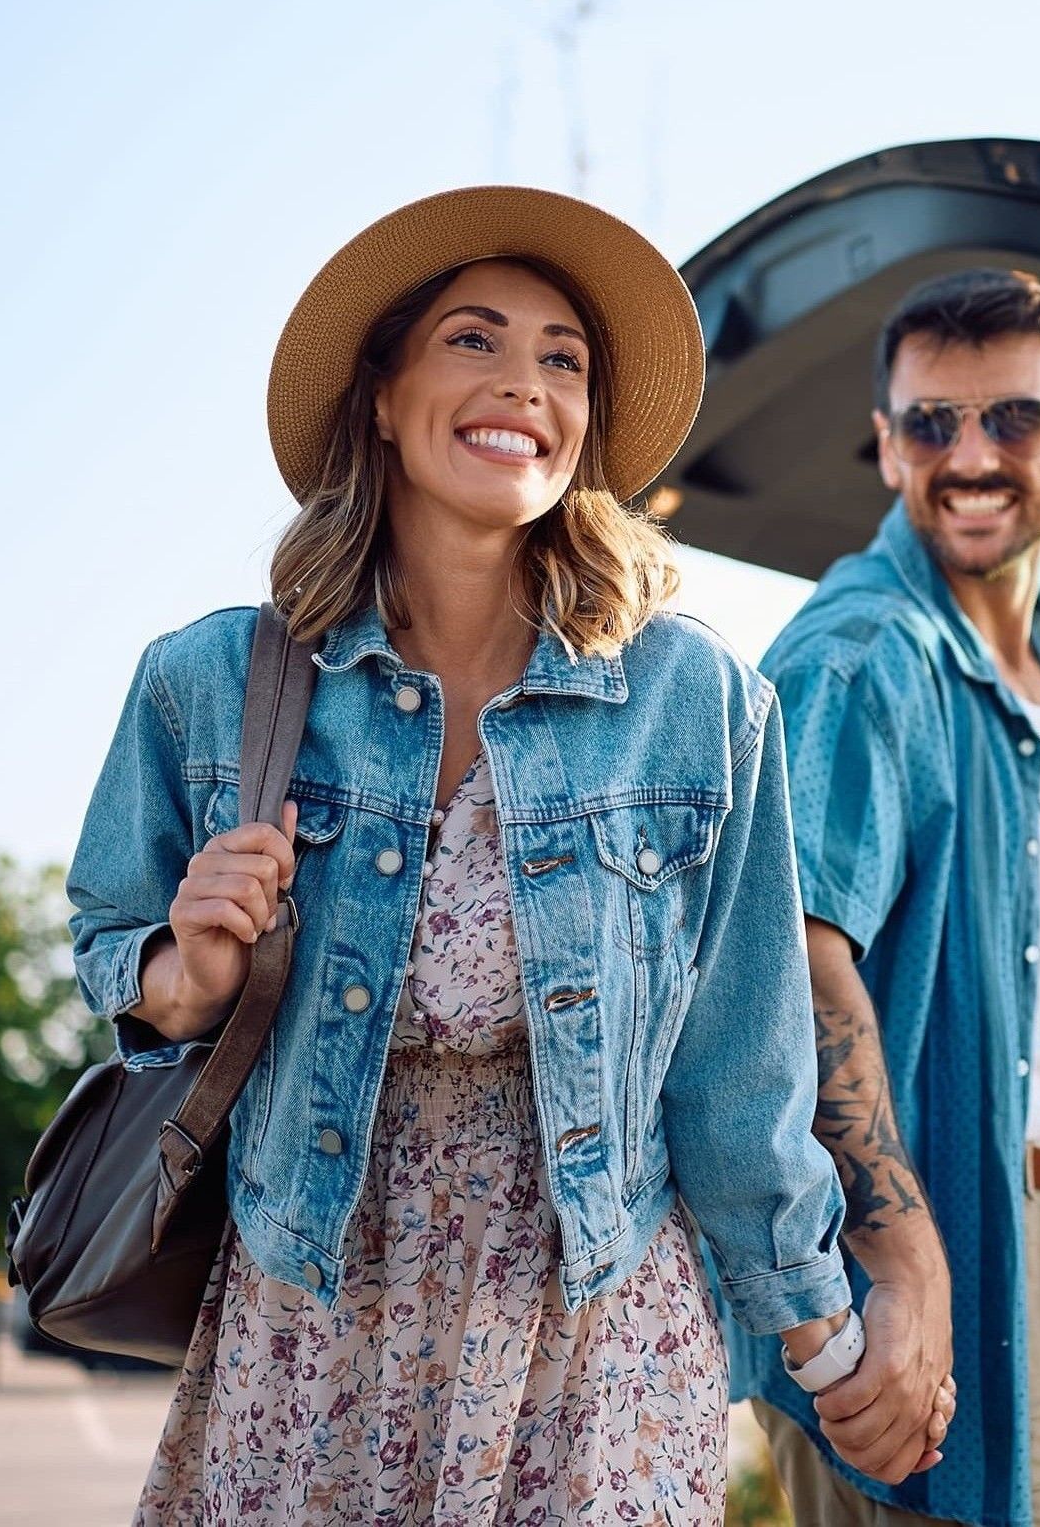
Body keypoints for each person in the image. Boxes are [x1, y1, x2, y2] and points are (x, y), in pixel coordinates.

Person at [66, 187, 946, 1524]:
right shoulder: (211, 682)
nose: (522, 385)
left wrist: (827, 1341)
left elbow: (737, 1079)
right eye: (474, 339)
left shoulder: (697, 700)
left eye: (563, 358)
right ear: (382, 390)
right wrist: (176, 981)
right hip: (315, 1322)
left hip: (598, 1338)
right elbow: (109, 934)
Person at [749, 268, 1040, 1526]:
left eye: (1011, 418)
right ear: (888, 445)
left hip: (1032, 1228)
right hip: (903, 1255)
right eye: (929, 423)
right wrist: (902, 1257)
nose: (969, 455)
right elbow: (794, 955)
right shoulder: (864, 655)